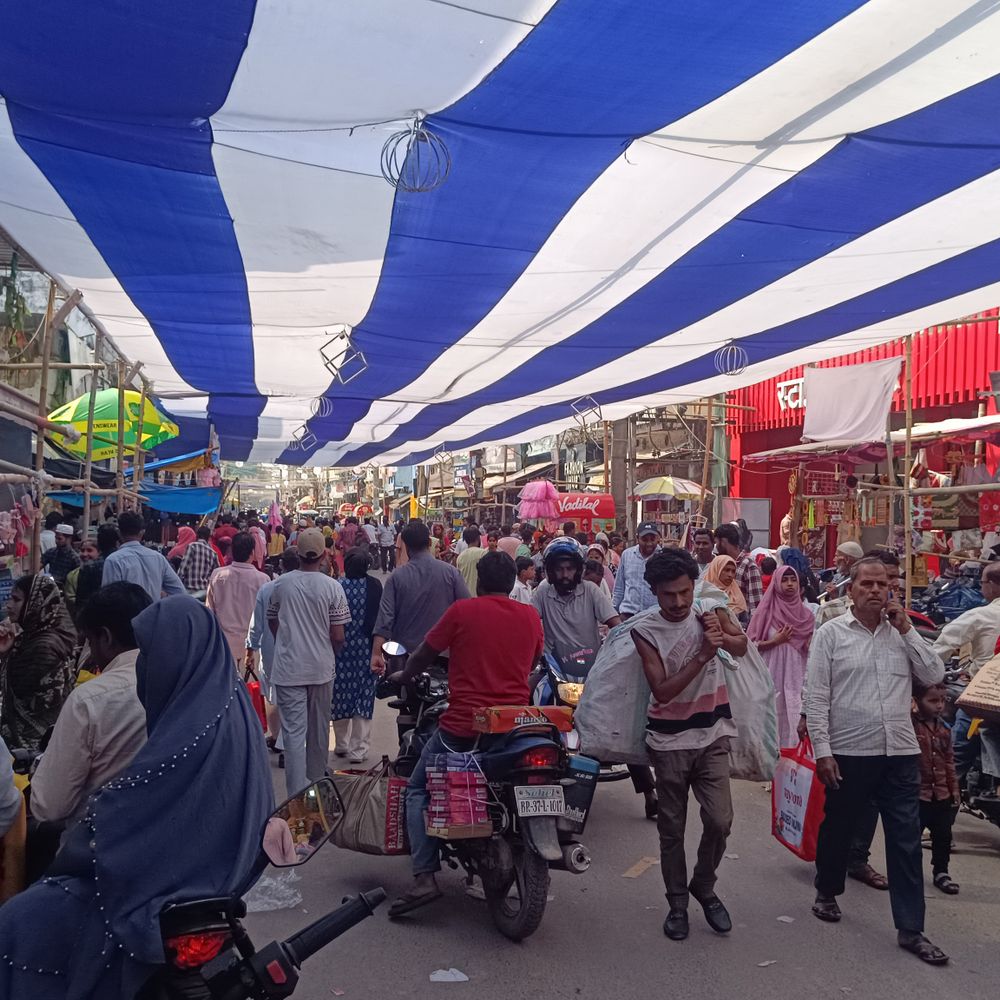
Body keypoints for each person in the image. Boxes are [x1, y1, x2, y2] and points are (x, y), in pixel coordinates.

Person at [0, 595, 273, 1000]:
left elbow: (115, 824)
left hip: (147, 890)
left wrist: (82, 842)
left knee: (17, 923)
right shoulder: (230, 713)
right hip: (214, 888)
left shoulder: (185, 732)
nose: (144, 664)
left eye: (150, 653)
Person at [805, 557, 947, 964]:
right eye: (866, 583)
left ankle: (911, 928)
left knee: (904, 841)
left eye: (882, 584)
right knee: (840, 826)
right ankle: (827, 890)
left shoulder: (903, 633)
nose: (874, 590)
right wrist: (823, 751)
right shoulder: (831, 634)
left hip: (900, 752)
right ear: (850, 589)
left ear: (891, 589)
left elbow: (933, 672)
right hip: (850, 751)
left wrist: (906, 630)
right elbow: (816, 696)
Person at [386, 551, 544, 916]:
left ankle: (425, 878)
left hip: (463, 726)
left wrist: (404, 676)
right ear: (511, 582)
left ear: (478, 582)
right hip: (515, 724)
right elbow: (534, 661)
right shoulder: (530, 615)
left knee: (417, 789)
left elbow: (426, 652)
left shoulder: (462, 612)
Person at [630, 548, 740, 942]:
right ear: (654, 593)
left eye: (684, 592)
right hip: (669, 743)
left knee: (720, 821)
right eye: (668, 595)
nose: (677, 603)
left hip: (712, 735)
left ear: (695, 586)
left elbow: (742, 647)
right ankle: (677, 904)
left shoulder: (707, 612)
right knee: (671, 829)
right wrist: (703, 654)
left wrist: (722, 629)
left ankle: (704, 886)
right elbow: (661, 691)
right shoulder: (644, 631)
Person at [31, 582, 153, 827]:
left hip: (96, 845)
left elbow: (49, 806)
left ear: (105, 637)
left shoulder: (89, 699)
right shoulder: (182, 682)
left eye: (89, 641)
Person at [268, 528, 351, 795]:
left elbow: (273, 619)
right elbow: (338, 635)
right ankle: (316, 791)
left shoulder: (281, 584)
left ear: (297, 552)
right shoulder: (332, 587)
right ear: (325, 554)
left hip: (289, 668)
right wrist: (330, 652)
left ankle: (295, 799)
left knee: (293, 736)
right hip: (321, 669)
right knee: (318, 734)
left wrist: (286, 640)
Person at [371, 521, 469, 672]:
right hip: (443, 655)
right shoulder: (451, 573)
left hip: (406, 656)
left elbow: (385, 618)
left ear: (406, 545)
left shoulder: (396, 577)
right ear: (429, 542)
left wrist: (376, 653)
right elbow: (466, 610)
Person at [0, 575, 78, 751]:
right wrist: (6, 653)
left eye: (16, 599)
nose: (9, 605)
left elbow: (29, 700)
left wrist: (7, 656)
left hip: (32, 742)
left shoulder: (43, 647)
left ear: (36, 603)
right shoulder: (29, 637)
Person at [747, 566, 815, 747]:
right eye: (784, 580)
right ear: (776, 583)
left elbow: (811, 651)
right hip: (770, 677)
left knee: (794, 718)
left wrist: (808, 645)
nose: (790, 584)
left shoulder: (807, 616)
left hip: (796, 679)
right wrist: (774, 642)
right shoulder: (765, 613)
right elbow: (748, 647)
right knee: (771, 719)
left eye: (793, 580)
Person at [332, 548, 383, 764]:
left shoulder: (338, 586)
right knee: (363, 696)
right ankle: (358, 750)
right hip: (366, 649)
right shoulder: (373, 586)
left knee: (340, 693)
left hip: (340, 647)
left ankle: (341, 744)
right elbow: (380, 618)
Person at [248, 547, 300, 752]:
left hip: (271, 651)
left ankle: (279, 738)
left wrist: (250, 650)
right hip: (299, 652)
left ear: (281, 565)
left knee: (272, 694)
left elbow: (256, 624)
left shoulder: (268, 588)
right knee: (294, 696)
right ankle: (285, 742)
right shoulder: (311, 586)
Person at [912, 680, 960, 896]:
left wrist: (954, 790)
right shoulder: (910, 726)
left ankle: (941, 872)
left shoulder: (945, 730)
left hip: (941, 794)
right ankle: (909, 874)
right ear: (916, 701)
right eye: (932, 700)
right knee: (911, 838)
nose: (939, 705)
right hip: (917, 794)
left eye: (942, 700)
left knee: (943, 836)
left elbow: (950, 761)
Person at [206, 532, 267, 671]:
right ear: (252, 552)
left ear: (232, 551)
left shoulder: (218, 575)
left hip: (223, 646)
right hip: (252, 649)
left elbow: (209, 611)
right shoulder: (263, 580)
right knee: (251, 690)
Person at [101, 510, 185, 602]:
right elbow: (180, 591)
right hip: (152, 614)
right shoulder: (158, 558)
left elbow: (109, 599)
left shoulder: (114, 560)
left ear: (119, 532)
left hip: (127, 615)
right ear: (142, 532)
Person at [612, 522, 663, 619]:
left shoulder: (663, 557)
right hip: (628, 614)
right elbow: (619, 587)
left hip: (654, 616)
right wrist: (614, 612)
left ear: (658, 538)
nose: (649, 543)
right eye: (644, 539)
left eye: (652, 539)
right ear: (637, 538)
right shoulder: (627, 555)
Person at [713, 523, 763, 616]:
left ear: (724, 541)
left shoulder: (748, 565)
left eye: (717, 543)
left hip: (741, 625)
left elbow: (756, 605)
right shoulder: (718, 564)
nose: (716, 548)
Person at [701, 554, 748, 626]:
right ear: (716, 569)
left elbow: (745, 622)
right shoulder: (704, 593)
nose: (730, 575)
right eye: (726, 570)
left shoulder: (736, 593)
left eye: (733, 571)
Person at [63, 536, 100, 616]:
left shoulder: (103, 572)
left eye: (89, 550)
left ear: (99, 553)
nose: (84, 554)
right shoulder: (72, 575)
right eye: (82, 550)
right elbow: (70, 598)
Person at [178, 524, 220, 592]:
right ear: (208, 537)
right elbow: (217, 574)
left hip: (189, 589)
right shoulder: (213, 553)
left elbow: (183, 568)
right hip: (204, 591)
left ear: (197, 535)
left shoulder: (192, 546)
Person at [41, 523, 80, 587]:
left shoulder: (74, 558)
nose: (56, 541)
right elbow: (38, 566)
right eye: (56, 538)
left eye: (59, 539)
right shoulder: (51, 552)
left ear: (69, 539)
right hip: (50, 585)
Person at [456, 526, 486, 596]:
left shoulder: (460, 557)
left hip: (464, 595)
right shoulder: (483, 553)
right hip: (479, 596)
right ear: (478, 539)